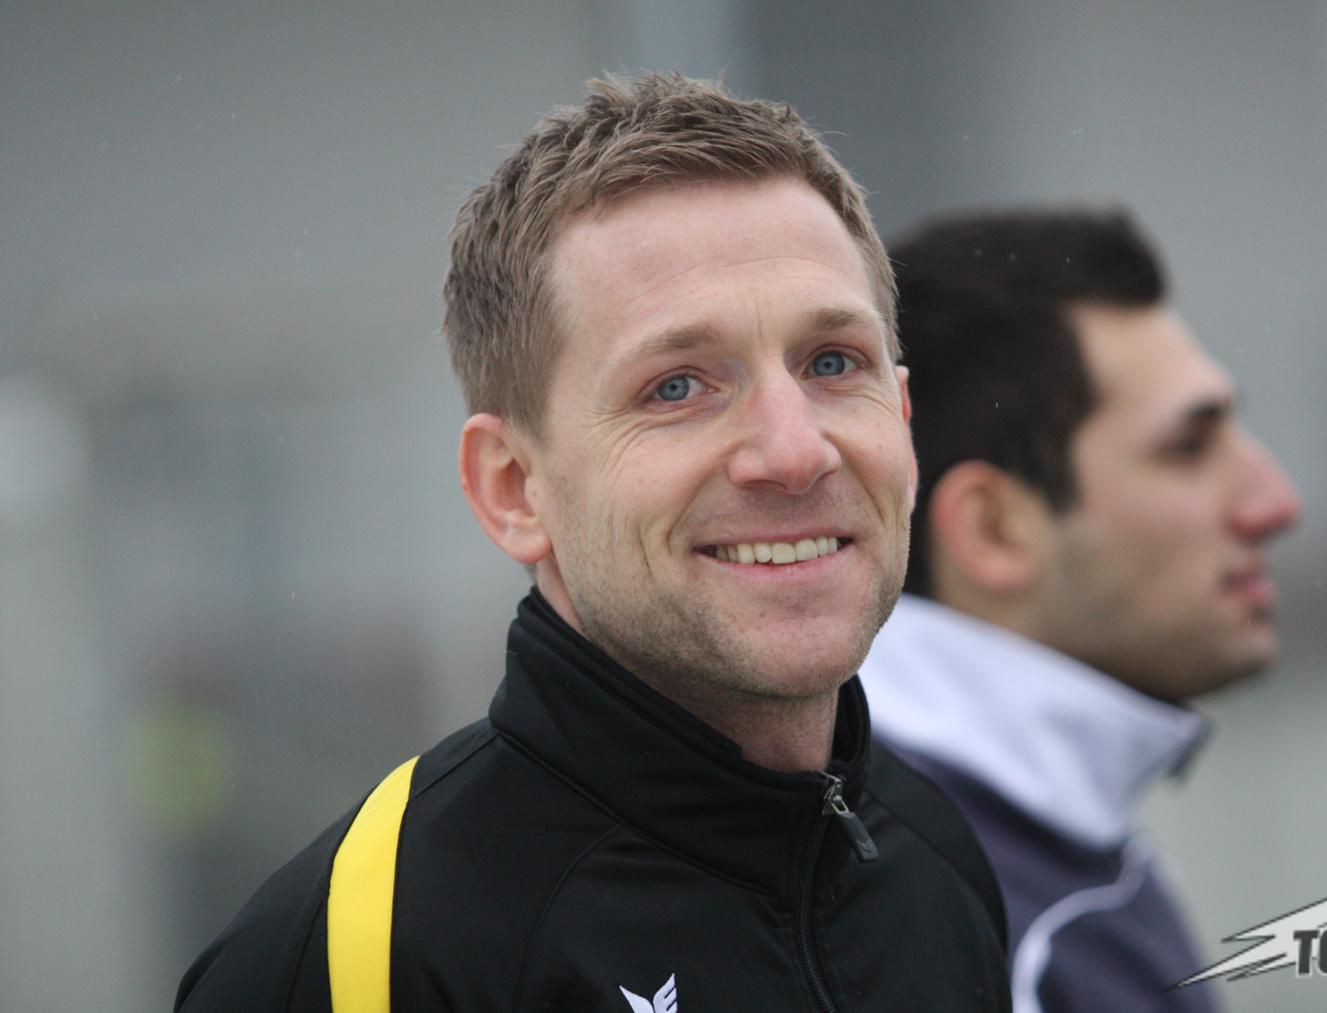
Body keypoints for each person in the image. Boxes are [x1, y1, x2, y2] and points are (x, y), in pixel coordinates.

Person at [175, 73, 1010, 1012]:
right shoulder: (364, 954)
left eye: (832, 362)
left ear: (902, 419)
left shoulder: (938, 861)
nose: (793, 451)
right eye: (677, 386)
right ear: (513, 488)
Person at [860, 209, 1303, 1012]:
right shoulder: (933, 910)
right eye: (1188, 447)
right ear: (996, 530)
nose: (1274, 503)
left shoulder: (1046, 844)